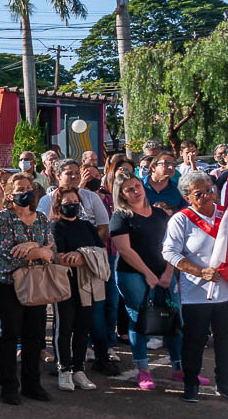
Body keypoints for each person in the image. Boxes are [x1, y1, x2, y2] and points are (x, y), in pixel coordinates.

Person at [109, 171, 181, 386]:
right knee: (139, 320)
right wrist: (148, 274)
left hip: (165, 273)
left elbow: (173, 245)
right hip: (133, 275)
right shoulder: (120, 217)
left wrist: (168, 272)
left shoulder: (160, 214)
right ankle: (143, 371)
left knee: (174, 319)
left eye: (137, 186)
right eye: (129, 189)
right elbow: (125, 250)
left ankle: (179, 369)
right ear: (121, 194)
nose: (135, 191)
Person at [162, 170, 228, 402]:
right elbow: (169, 252)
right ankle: (191, 384)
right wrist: (200, 271)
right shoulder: (181, 220)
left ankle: (224, 384)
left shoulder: (224, 215)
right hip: (197, 293)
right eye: (199, 194)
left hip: (226, 291)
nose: (207, 196)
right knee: (195, 340)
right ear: (187, 197)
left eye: (209, 190)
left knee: (225, 341)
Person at [0, 173, 55, 405]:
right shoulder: (3, 218)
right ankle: (9, 386)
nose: (25, 191)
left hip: (36, 283)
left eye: (28, 187)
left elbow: (51, 249)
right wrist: (40, 251)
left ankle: (32, 384)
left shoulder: (41, 218)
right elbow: (8, 253)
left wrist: (32, 245)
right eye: (20, 189)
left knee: (34, 336)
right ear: (10, 194)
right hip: (9, 284)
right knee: (10, 335)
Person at [50, 187, 105, 392]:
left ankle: (79, 369)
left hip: (87, 283)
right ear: (59, 205)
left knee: (83, 327)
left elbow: (101, 250)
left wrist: (82, 255)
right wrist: (85, 257)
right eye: (67, 203)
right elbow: (60, 257)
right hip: (64, 283)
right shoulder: (55, 226)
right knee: (64, 327)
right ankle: (64, 369)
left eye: (75, 202)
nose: (72, 205)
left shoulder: (87, 226)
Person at [37, 159, 110, 242]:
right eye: (69, 173)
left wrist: (93, 245)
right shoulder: (46, 200)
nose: (74, 176)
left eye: (77, 173)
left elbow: (103, 225)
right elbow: (42, 228)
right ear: (58, 176)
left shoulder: (92, 196)